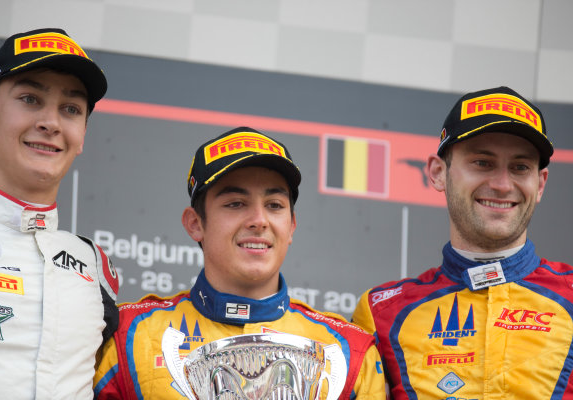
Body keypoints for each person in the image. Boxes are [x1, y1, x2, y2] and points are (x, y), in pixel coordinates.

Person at [93, 126, 386, 399]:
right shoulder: (130, 338)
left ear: (292, 226)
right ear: (195, 224)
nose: (259, 221)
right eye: (236, 204)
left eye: (274, 206)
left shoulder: (350, 351)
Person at [352, 86, 573, 399]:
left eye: (520, 167)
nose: (501, 184)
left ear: (540, 184)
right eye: (482, 162)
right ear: (438, 172)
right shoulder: (380, 312)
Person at [0, 28, 119, 398]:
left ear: (83, 133)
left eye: (71, 109)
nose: (51, 123)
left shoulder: (96, 266)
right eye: (30, 98)